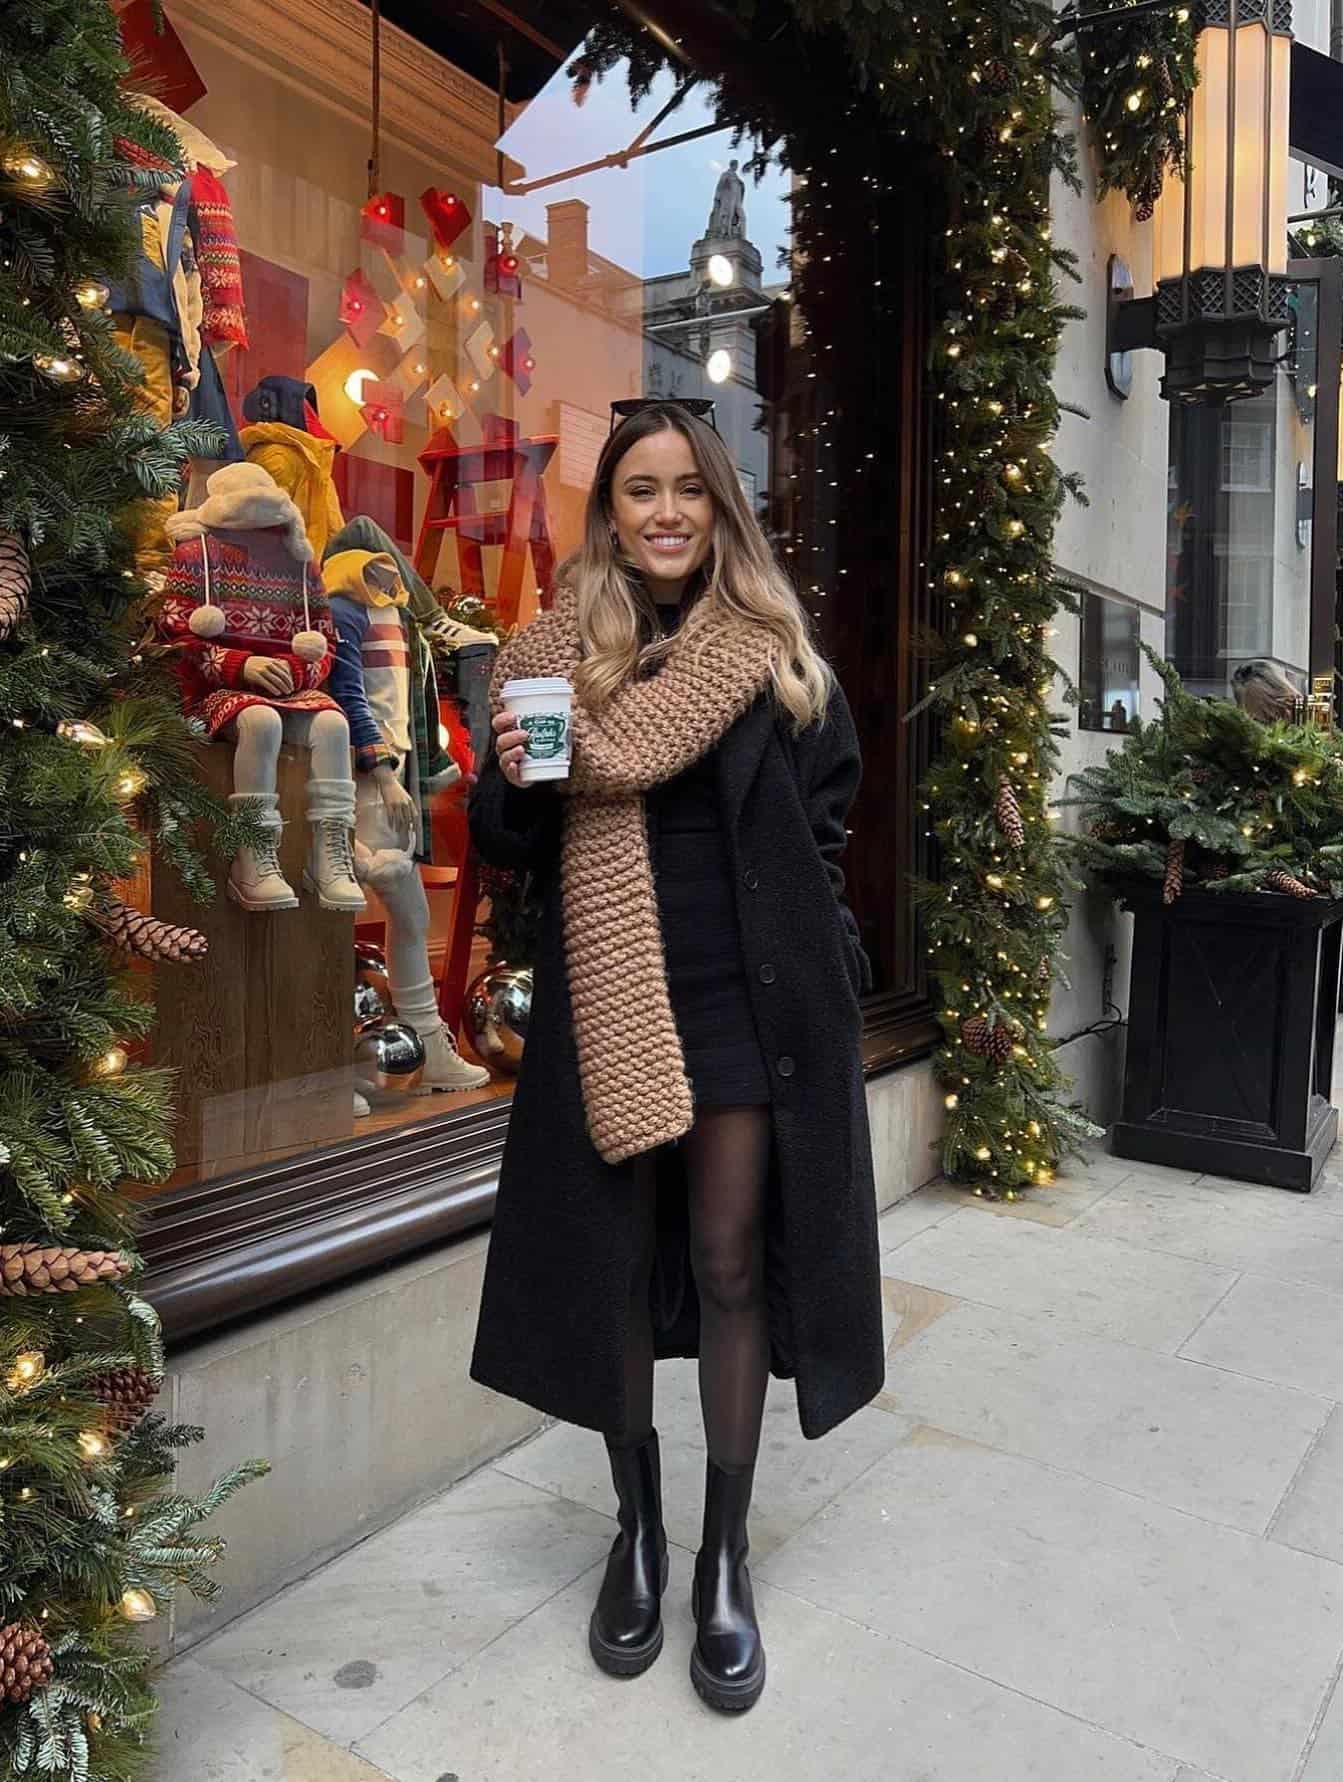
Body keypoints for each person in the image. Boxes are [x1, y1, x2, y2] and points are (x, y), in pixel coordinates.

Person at [467, 400, 884, 1715]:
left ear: (719, 509)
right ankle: (635, 1530)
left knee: (723, 1262)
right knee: (613, 1262)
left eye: (687, 490)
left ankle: (724, 1556)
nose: (663, 511)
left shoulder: (769, 656)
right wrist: (524, 776)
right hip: (608, 999)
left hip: (746, 1012)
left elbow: (823, 830)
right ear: (609, 512)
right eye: (639, 489)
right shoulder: (549, 656)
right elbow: (505, 841)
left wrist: (836, 954)